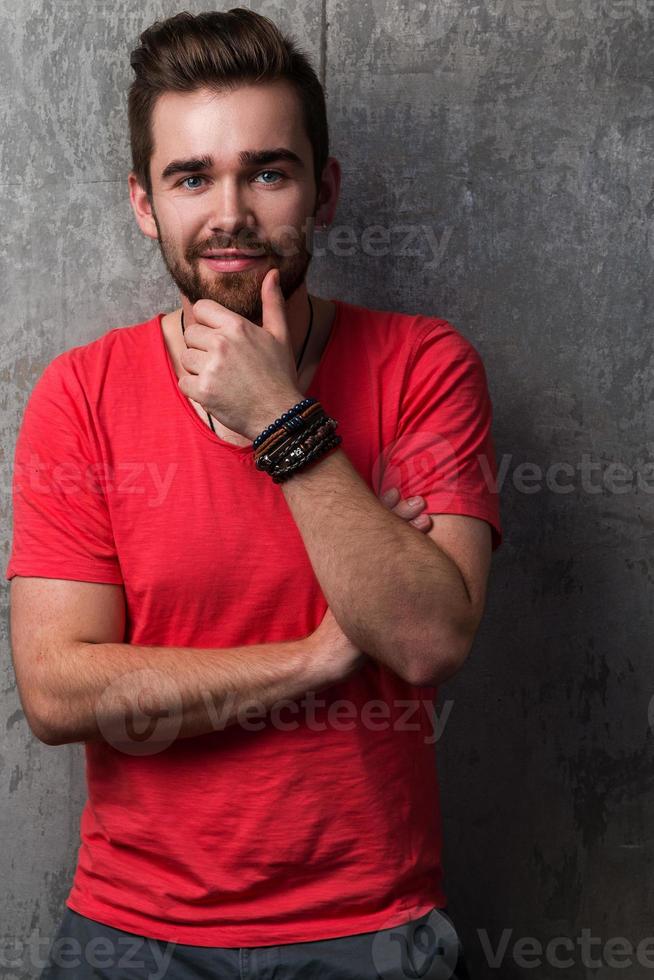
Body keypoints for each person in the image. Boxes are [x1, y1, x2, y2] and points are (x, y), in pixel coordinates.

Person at [6, 8, 502, 979]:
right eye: (192, 177)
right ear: (146, 203)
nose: (229, 212)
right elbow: (59, 689)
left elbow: (431, 637)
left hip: (369, 931)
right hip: (129, 937)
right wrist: (318, 657)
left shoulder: (424, 367)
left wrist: (282, 417)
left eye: (267, 171)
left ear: (323, 192)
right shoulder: (80, 393)